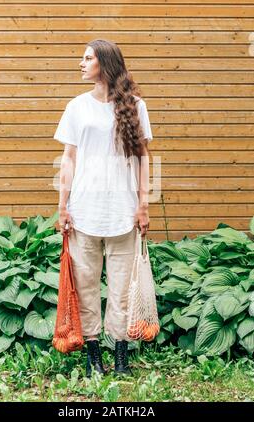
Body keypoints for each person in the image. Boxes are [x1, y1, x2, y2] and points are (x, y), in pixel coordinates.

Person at [53, 38, 153, 377]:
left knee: (123, 289)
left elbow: (143, 159)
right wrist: (63, 207)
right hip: (84, 212)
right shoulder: (76, 106)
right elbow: (68, 160)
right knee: (86, 286)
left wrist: (143, 206)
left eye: (87, 58)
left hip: (123, 213)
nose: (80, 64)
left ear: (105, 64)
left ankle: (121, 358)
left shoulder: (135, 105)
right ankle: (94, 356)